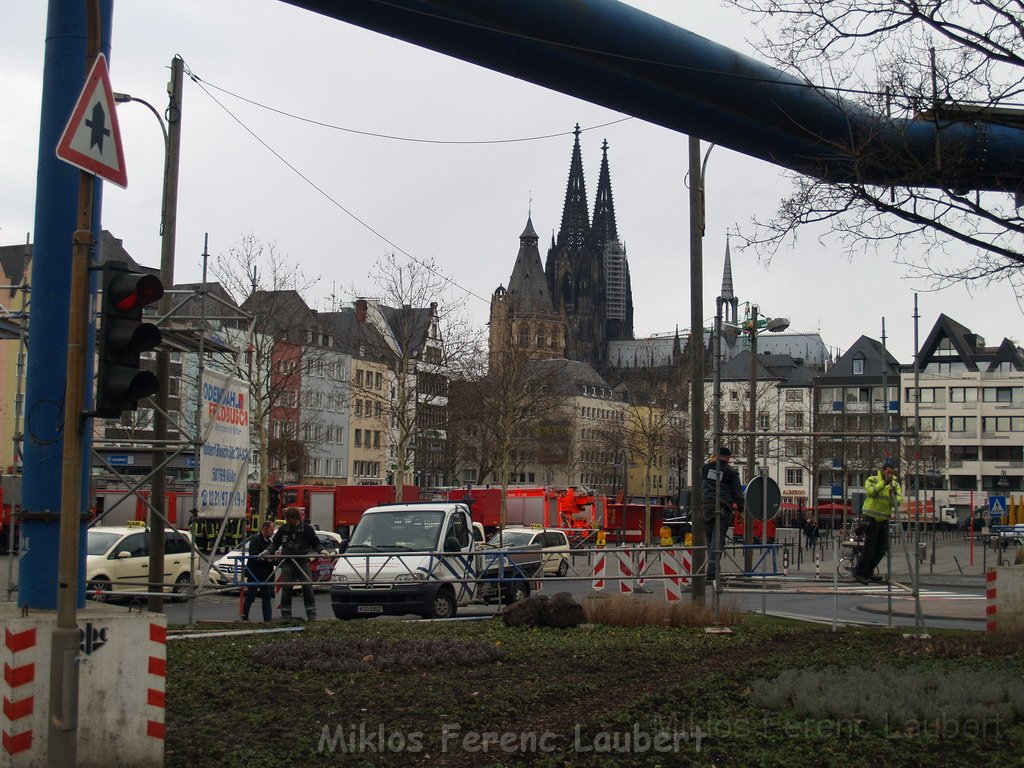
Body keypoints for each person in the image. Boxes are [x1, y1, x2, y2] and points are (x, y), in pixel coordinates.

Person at [259, 506, 324, 621]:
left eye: (288, 518)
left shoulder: (307, 529)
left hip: (302, 561)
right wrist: (267, 551)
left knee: (307, 587)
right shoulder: (284, 529)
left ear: (295, 518)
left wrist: (322, 551)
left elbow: (315, 542)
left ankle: (311, 614)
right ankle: (286, 615)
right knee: (286, 588)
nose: (287, 521)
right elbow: (275, 543)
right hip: (287, 562)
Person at [853, 457, 904, 584]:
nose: (890, 475)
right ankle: (859, 572)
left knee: (881, 550)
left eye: (892, 473)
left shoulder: (895, 485)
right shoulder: (873, 479)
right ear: (882, 471)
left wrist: (893, 495)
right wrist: (884, 484)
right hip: (871, 518)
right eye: (888, 472)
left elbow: (899, 502)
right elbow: (870, 492)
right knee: (869, 548)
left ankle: (868, 571)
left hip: (884, 520)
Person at [700, 446, 744, 581]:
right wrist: (741, 510)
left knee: (710, 540)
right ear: (728, 458)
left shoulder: (705, 469)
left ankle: (714, 570)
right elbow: (738, 494)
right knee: (717, 541)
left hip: (706, 506)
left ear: (715, 455)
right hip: (723, 507)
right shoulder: (732, 473)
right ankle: (712, 573)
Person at [242, 520, 276, 622]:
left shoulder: (270, 542)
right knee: (251, 596)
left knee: (266, 597)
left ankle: (267, 619)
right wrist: (267, 559)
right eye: (271, 530)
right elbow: (254, 554)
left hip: (266, 574)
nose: (272, 532)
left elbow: (272, 556)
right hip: (254, 573)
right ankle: (244, 617)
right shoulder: (255, 540)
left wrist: (276, 560)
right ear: (265, 529)